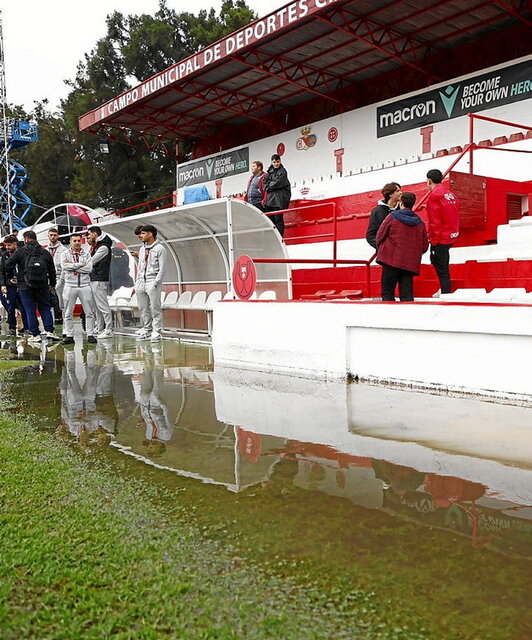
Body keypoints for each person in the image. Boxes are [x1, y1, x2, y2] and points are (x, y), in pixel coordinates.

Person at [5, 230, 59, 343]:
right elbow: (52, 270)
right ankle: (50, 331)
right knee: (45, 308)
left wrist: (12, 277)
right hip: (43, 284)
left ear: (25, 239)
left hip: (25, 285)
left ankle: (35, 334)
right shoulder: (45, 252)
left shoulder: (20, 252)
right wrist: (52, 284)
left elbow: (7, 265)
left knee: (30, 310)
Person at [376, 192, 429, 302]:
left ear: (401, 203)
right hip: (409, 263)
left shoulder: (392, 217)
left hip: (390, 260)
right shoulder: (420, 223)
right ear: (413, 204)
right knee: (407, 294)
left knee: (387, 292)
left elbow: (380, 235)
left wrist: (384, 248)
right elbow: (424, 246)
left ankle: (388, 316)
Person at [425, 168, 460, 294]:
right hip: (452, 235)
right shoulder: (450, 194)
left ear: (429, 181)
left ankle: (445, 293)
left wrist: (433, 242)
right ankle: (444, 290)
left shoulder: (434, 197)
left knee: (442, 269)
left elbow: (435, 222)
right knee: (442, 264)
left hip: (441, 238)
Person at [60, 233, 96, 345]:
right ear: (70, 242)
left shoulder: (87, 253)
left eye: (78, 241)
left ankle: (90, 334)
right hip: (70, 285)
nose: (76, 243)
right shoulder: (64, 253)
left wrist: (73, 265)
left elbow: (89, 269)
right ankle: (70, 335)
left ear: (82, 241)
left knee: (89, 311)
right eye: (74, 241)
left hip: (85, 285)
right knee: (68, 312)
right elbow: (64, 267)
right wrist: (80, 265)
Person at [136, 225, 167, 342]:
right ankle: (147, 328)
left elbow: (163, 268)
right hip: (141, 281)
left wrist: (156, 282)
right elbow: (140, 265)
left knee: (155, 307)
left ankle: (157, 330)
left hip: (152, 280)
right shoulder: (142, 248)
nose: (141, 236)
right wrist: (138, 280)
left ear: (150, 234)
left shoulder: (160, 249)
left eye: (143, 233)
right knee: (143, 307)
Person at [86, 226, 114, 339]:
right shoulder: (96, 246)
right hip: (93, 278)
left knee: (102, 305)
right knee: (96, 306)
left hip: (99, 279)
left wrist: (78, 264)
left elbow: (91, 261)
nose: (88, 236)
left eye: (89, 234)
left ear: (94, 233)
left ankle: (109, 329)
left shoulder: (103, 247)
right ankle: (100, 326)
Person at [0, 235, 29, 336]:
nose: (7, 247)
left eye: (9, 245)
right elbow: (2, 271)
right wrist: (3, 284)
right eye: (6, 245)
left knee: (24, 306)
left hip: (22, 284)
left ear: (15, 244)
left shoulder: (23, 253)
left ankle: (27, 327)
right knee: (11, 307)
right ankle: (12, 327)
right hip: (9, 285)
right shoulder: (4, 255)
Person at [366, 182, 402, 250]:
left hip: (400, 252)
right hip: (386, 254)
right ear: (390, 194)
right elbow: (371, 235)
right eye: (398, 191)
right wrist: (383, 248)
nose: (401, 193)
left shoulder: (402, 209)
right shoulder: (377, 211)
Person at [264, 154, 291, 237]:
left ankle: (280, 238)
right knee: (272, 221)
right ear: (271, 162)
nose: (276, 164)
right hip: (271, 200)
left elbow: (277, 183)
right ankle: (275, 238)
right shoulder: (269, 172)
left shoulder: (283, 171)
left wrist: (269, 186)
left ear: (280, 161)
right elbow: (264, 184)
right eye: (274, 162)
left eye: (278, 161)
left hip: (279, 199)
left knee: (278, 219)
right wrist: (270, 186)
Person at [46, 227, 67, 325]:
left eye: (55, 235)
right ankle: (54, 319)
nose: (53, 237)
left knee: (61, 300)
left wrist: (61, 280)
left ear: (58, 236)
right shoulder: (45, 250)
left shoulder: (64, 250)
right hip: (48, 279)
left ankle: (63, 318)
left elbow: (65, 267)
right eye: (51, 235)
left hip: (60, 278)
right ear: (48, 236)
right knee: (50, 300)